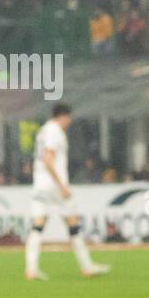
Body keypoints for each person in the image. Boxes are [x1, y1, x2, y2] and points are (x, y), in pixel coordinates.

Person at [25, 103, 110, 280]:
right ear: (63, 116)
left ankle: (31, 269)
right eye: (68, 118)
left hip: (39, 183)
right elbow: (48, 159)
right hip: (53, 185)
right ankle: (87, 266)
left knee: (38, 225)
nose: (69, 122)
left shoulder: (43, 130)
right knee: (73, 223)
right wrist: (62, 185)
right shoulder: (55, 131)